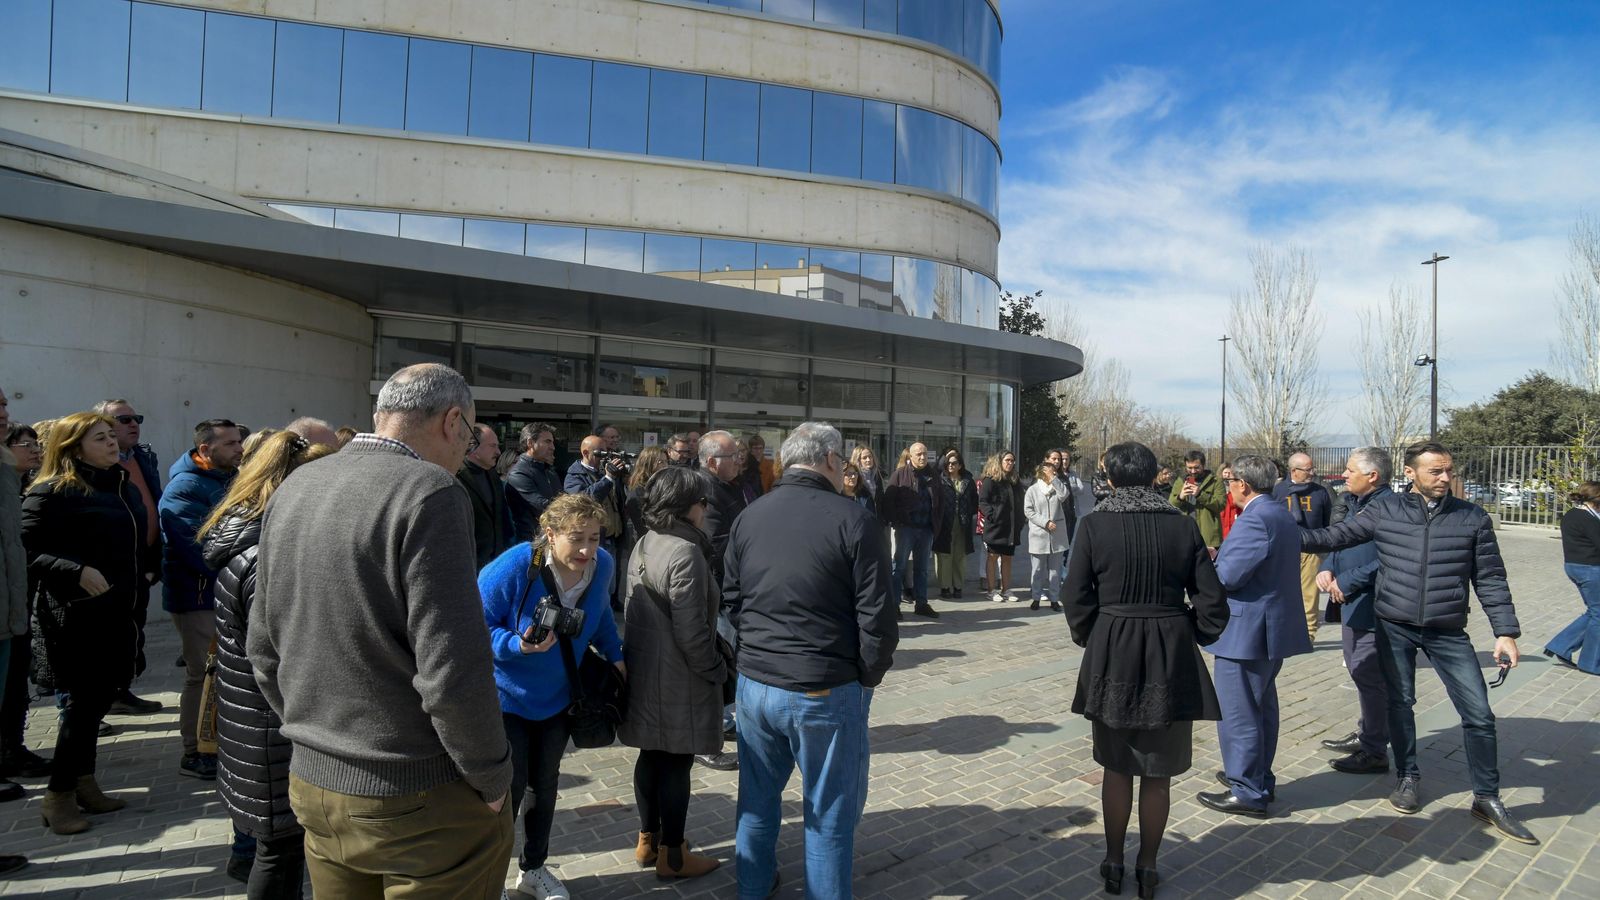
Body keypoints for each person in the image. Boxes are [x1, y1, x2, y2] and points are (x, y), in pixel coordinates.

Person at [251, 363, 514, 897]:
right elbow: (452, 668)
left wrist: (314, 733)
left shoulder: (297, 484)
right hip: (419, 793)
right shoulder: (432, 490)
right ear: (453, 420)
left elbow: (263, 647)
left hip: (314, 782)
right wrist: (491, 775)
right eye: (467, 437)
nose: (466, 451)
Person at [1300, 442, 1537, 844]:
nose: (1445, 478)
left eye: (1448, 471)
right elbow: (1333, 537)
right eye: (1436, 471)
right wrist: (1275, 531)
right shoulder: (1385, 510)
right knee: (1400, 703)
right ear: (1410, 473)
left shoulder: (1472, 518)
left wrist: (1505, 632)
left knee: (1479, 714)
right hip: (1395, 625)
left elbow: (1491, 578)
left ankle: (1487, 796)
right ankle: (1407, 776)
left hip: (1447, 630)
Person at [724, 422, 897, 899]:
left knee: (756, 801)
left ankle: (752, 888)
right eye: (841, 462)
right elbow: (879, 614)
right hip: (823, 685)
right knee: (828, 814)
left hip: (757, 684)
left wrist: (756, 653)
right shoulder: (854, 519)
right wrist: (866, 676)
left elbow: (732, 600)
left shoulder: (750, 515)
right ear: (827, 460)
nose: (844, 470)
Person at [1064, 441, 1228, 900]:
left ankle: (1114, 861)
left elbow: (1075, 597)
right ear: (1157, 476)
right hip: (1169, 651)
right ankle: (1149, 866)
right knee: (1158, 773)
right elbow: (1213, 603)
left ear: (1111, 479)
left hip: (1113, 646)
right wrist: (1188, 631)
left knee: (1117, 769)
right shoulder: (1182, 526)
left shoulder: (1094, 525)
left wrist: (1093, 636)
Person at [202, 431, 334, 900]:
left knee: (276, 852)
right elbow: (286, 659)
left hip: (257, 725)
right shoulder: (268, 557)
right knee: (278, 856)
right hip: (272, 730)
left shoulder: (257, 541)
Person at [480, 493, 625, 900]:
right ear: (550, 534)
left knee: (544, 786)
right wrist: (515, 645)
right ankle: (490, 880)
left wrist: (617, 659)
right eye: (576, 538)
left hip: (561, 697)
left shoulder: (603, 566)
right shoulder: (515, 567)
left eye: (594, 538)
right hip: (506, 697)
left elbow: (600, 623)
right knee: (506, 790)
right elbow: (473, 623)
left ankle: (533, 869)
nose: (586, 550)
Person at [22, 412, 157, 835]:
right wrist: (74, 570)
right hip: (77, 616)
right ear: (73, 446)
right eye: (100, 438)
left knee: (99, 699)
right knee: (82, 709)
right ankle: (58, 795)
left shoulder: (120, 484)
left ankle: (84, 782)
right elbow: (26, 550)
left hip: (122, 610)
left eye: (110, 436)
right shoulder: (51, 491)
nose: (112, 442)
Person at [618, 467, 726, 879]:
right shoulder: (686, 552)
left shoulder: (647, 540)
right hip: (678, 676)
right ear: (687, 507)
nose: (705, 509)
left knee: (652, 756)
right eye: (702, 502)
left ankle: (647, 841)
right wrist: (716, 669)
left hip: (646, 669)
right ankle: (674, 854)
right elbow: (693, 633)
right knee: (677, 763)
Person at [1197, 455, 1313, 818]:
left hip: (1246, 632)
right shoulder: (1278, 513)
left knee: (1239, 712)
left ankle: (1247, 788)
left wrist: (1209, 564)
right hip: (1266, 630)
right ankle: (1257, 775)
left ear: (1243, 484)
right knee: (1260, 708)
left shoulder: (1254, 518)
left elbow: (1229, 577)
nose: (1228, 487)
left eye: (1230, 481)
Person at [159, 418, 245, 781]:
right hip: (198, 598)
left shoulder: (229, 478)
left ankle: (215, 743)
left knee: (221, 675)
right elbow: (200, 549)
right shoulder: (185, 487)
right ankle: (194, 751)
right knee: (202, 675)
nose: (240, 449)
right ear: (206, 449)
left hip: (222, 592)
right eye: (230, 444)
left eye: (239, 441)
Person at [1315, 448, 1394, 775]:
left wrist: (1348, 580)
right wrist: (1328, 566)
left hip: (1372, 603)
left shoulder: (1390, 509)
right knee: (1362, 672)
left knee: (1368, 674)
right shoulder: (1357, 503)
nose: (1343, 475)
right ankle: (1368, 730)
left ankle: (1375, 749)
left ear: (1372, 476)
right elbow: (1341, 540)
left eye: (1349, 470)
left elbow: (1390, 560)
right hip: (1350, 600)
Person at [91, 399, 164, 717]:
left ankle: (121, 692)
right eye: (123, 419)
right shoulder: (96, 467)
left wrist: (153, 562)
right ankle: (84, 706)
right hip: (108, 571)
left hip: (140, 566)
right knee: (99, 643)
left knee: (132, 633)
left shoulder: (143, 458)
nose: (133, 424)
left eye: (136, 418)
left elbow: (155, 507)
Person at [696, 431, 747, 771]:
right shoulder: (706, 491)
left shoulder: (726, 487)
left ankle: (723, 723)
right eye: (733, 456)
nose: (740, 460)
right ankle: (706, 740)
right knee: (718, 666)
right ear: (713, 462)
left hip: (729, 590)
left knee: (728, 665)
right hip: (719, 592)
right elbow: (717, 545)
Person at [2, 421, 50, 783]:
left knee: (17, 682)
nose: (34, 450)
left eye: (36, 444)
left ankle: (13, 748)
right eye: (24, 445)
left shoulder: (24, 488)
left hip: (20, 603)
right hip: (11, 602)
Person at [1273, 452, 1333, 641]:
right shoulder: (1278, 491)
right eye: (1307, 470)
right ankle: (1282, 629)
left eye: (1312, 468)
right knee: (1281, 592)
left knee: (1309, 594)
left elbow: (1328, 522)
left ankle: (1308, 634)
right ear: (1294, 471)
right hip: (1282, 550)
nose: (1312, 473)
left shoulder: (1320, 491)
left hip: (1311, 550)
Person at [883, 442, 944, 619]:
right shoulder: (900, 474)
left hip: (926, 530)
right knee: (898, 567)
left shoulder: (934, 475)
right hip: (906, 529)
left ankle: (921, 603)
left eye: (924, 453)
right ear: (910, 456)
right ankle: (894, 606)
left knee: (922, 569)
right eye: (918, 454)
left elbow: (940, 502)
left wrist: (936, 524)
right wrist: (897, 521)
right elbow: (888, 501)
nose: (922, 457)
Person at [1545, 481, 1600, 675]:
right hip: (1590, 568)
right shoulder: (1587, 519)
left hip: (1576, 566)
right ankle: (1590, 663)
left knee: (1594, 612)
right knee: (1599, 614)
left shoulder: (1573, 514)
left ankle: (1560, 645)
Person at [457, 423, 515, 570]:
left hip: (495, 561)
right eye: (492, 446)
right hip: (469, 564)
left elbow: (502, 517)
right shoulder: (455, 475)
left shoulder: (492, 474)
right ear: (473, 446)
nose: (498, 451)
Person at [978, 450, 1025, 603]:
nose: (1010, 463)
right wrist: (993, 516)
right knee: (992, 557)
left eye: (1012, 461)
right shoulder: (990, 480)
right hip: (996, 527)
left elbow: (1020, 500)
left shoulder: (1014, 480)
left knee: (1007, 558)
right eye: (1007, 460)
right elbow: (983, 502)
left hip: (1011, 528)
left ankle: (1006, 589)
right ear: (1000, 462)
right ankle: (991, 590)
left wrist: (1021, 519)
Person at [1024, 462, 1069, 612]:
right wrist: (1045, 522)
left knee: (1055, 571)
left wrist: (1054, 480)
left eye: (1054, 471)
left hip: (1057, 535)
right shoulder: (1033, 490)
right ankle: (1036, 598)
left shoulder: (1058, 487)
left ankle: (1054, 599)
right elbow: (1028, 511)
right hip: (1039, 534)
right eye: (1050, 471)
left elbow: (1064, 495)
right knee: (1037, 570)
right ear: (1041, 472)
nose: (1053, 473)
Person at [505, 422, 562, 542]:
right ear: (530, 443)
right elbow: (542, 506)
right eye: (547, 441)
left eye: (552, 442)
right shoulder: (519, 474)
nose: (553, 447)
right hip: (532, 543)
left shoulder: (550, 472)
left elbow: (561, 498)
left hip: (553, 538)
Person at [935, 450, 978, 600]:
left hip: (962, 522)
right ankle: (945, 586)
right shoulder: (940, 480)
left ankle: (958, 586)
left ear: (960, 465)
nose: (950, 466)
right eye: (948, 463)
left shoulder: (968, 480)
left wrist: (967, 512)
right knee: (944, 555)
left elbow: (974, 500)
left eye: (954, 463)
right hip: (945, 522)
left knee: (960, 555)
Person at [1169, 451, 1225, 556]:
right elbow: (1171, 505)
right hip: (1186, 534)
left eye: (1196, 467)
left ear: (1203, 465)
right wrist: (1180, 497)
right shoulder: (1180, 481)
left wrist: (1200, 495)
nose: (1193, 471)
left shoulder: (1216, 481)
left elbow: (1221, 505)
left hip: (1208, 536)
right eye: (1189, 468)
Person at [624, 445, 669, 540]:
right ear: (648, 464)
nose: (666, 466)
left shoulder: (661, 485)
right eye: (661, 462)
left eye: (666, 461)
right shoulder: (638, 490)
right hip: (649, 541)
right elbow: (642, 525)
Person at [1219, 465, 1242, 540]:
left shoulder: (1236, 484)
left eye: (1229, 473)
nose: (1227, 475)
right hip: (1223, 512)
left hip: (1233, 513)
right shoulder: (1218, 485)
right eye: (1225, 472)